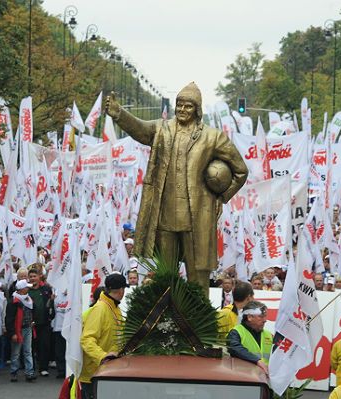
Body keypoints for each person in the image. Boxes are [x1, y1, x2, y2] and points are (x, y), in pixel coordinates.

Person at [105, 83, 248, 292]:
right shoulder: (162, 129)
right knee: (165, 275)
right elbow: (140, 129)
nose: (182, 110)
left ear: (197, 109)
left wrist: (221, 198)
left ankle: (198, 319)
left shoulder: (213, 137)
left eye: (187, 106)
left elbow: (241, 171)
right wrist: (119, 113)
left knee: (198, 274)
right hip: (165, 215)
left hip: (197, 215)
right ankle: (167, 316)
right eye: (179, 105)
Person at [80, 273, 128, 399]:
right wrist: (103, 357)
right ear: (121, 290)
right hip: (94, 375)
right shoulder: (100, 309)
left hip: (108, 372)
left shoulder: (114, 308)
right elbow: (87, 339)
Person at [227, 301, 272, 376]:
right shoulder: (236, 333)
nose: (265, 320)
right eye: (261, 316)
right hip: (244, 380)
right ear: (249, 317)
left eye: (265, 316)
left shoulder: (269, 335)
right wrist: (257, 361)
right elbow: (235, 348)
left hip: (266, 382)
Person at [6, 279, 36, 383]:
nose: (28, 288)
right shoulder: (13, 302)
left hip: (28, 328)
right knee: (16, 353)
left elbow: (32, 312)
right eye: (26, 287)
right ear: (22, 289)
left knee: (28, 351)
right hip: (17, 330)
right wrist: (12, 333)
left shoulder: (28, 299)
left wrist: (33, 321)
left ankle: (29, 373)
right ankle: (14, 372)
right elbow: (9, 319)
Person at [27, 267, 53, 377]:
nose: (33, 278)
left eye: (35, 276)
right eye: (31, 277)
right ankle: (31, 368)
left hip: (44, 323)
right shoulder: (26, 290)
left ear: (39, 277)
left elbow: (50, 304)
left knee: (44, 345)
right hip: (30, 324)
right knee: (31, 347)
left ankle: (43, 367)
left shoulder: (46, 288)